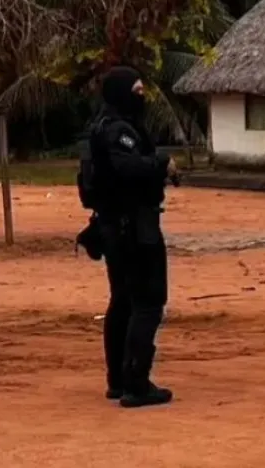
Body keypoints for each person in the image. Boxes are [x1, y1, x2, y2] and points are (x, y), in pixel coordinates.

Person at [86, 66, 178, 408]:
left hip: (115, 226)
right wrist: (161, 164)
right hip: (133, 229)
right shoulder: (118, 131)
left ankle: (118, 378)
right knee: (148, 301)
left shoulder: (102, 127)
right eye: (137, 90)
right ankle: (136, 382)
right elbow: (127, 168)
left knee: (123, 300)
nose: (143, 96)